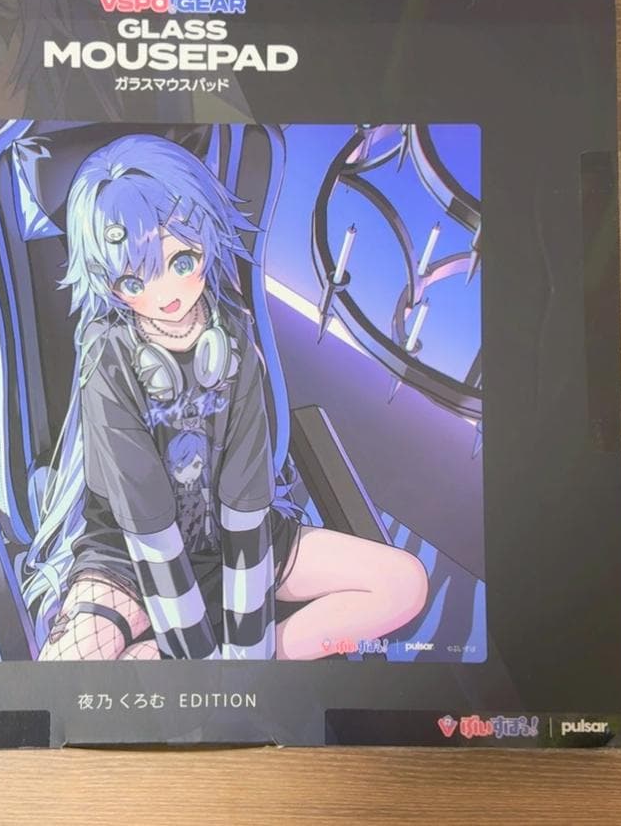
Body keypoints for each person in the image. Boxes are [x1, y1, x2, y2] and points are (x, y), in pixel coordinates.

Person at [23, 133, 428, 661]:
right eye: (133, 279)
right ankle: (183, 664)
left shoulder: (233, 336)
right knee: (68, 667)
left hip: (238, 537)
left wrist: (248, 650)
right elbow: (144, 516)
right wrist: (196, 653)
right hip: (131, 555)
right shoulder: (108, 356)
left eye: (181, 261)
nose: (165, 294)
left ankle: (252, 662)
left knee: (404, 585)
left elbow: (245, 495)